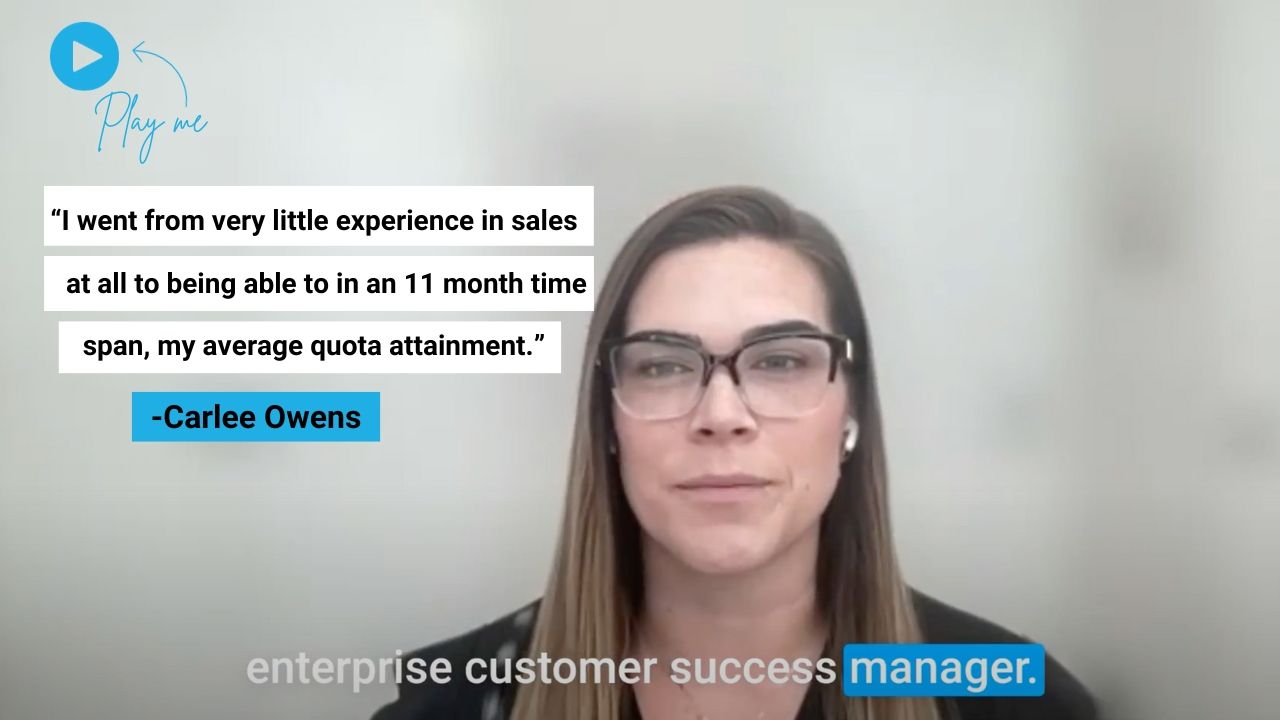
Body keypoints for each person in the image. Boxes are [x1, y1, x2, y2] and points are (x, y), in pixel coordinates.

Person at [371, 187, 1097, 720]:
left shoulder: (1012, 703)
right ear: (608, 420)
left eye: (780, 362)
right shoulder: (452, 707)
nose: (722, 416)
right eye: (663, 365)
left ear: (852, 412)